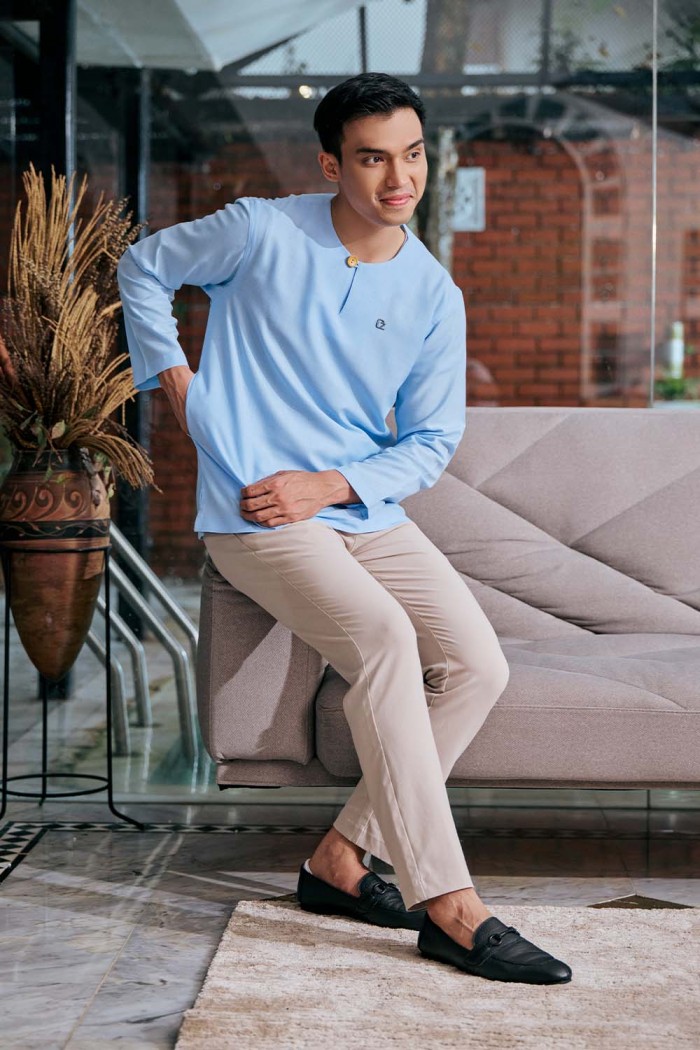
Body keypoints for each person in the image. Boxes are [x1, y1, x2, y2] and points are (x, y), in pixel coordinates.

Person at [117, 72, 572, 985]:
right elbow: (143, 265)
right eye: (372, 159)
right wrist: (176, 382)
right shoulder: (260, 231)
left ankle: (339, 859)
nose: (398, 178)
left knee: (478, 664)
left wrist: (333, 483)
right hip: (253, 512)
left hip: (359, 506)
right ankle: (450, 905)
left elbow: (431, 439)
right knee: (386, 641)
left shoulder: (434, 292)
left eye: (413, 155)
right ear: (332, 165)